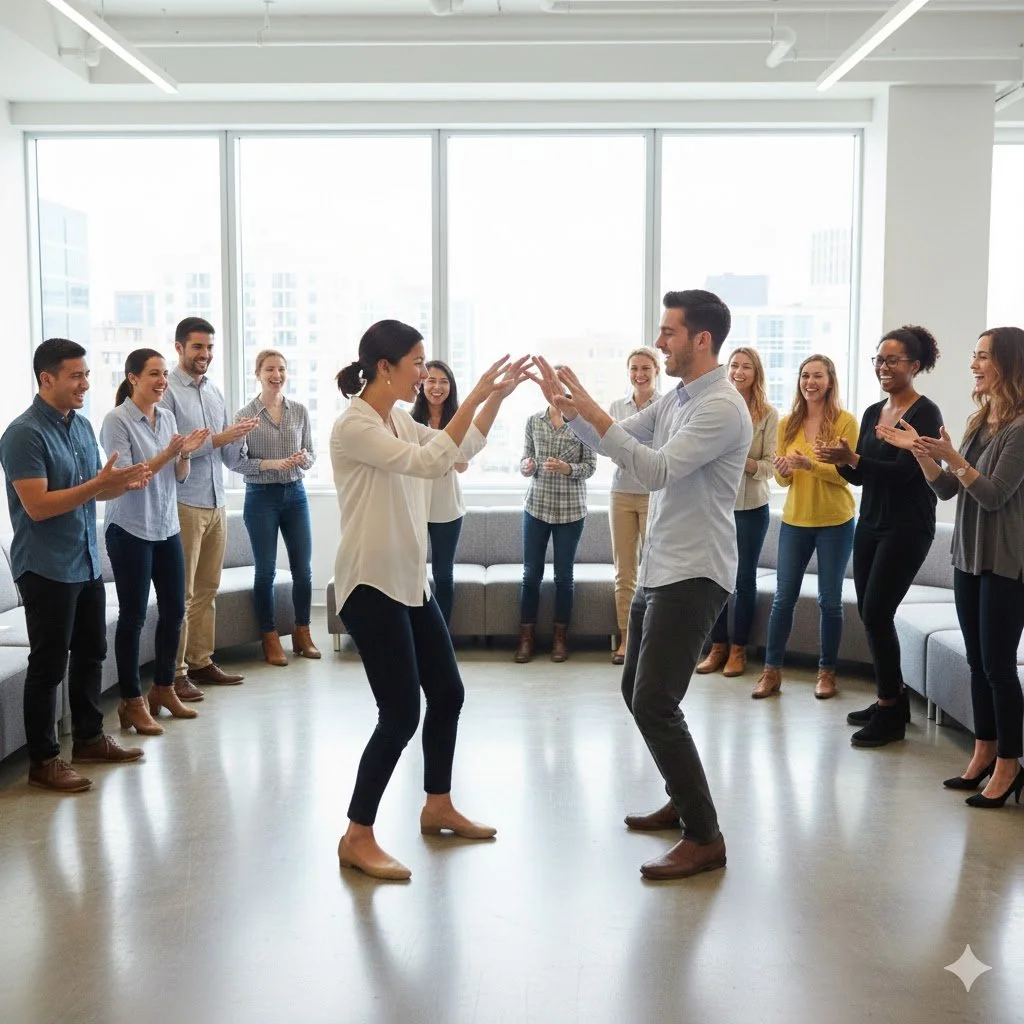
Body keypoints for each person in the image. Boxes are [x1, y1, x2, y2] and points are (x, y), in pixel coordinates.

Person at [530, 289, 751, 881]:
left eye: (669, 332)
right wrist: (567, 410)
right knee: (636, 691)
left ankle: (705, 836)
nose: (659, 341)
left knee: (655, 701)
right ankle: (683, 798)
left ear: (702, 340)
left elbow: (650, 470)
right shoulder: (679, 397)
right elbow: (620, 439)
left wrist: (591, 417)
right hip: (662, 569)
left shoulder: (722, 407)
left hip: (696, 574)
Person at [332, 320, 530, 881]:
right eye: (416, 363)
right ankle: (357, 835)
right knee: (399, 714)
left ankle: (437, 804)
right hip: (370, 585)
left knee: (447, 692)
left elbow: (456, 450)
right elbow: (423, 461)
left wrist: (492, 398)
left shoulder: (396, 417)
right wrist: (478, 395)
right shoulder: (353, 426)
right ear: (385, 367)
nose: (424, 373)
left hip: (409, 582)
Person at [881, 327, 1024, 806]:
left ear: (1008, 363)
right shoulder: (980, 420)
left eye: (983, 356)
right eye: (974, 354)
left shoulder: (1020, 428)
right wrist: (924, 455)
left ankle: (1010, 764)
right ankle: (984, 750)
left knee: (1000, 668)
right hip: (967, 557)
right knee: (979, 664)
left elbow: (993, 494)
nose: (974, 364)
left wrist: (955, 460)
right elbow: (947, 490)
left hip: (1005, 563)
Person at [0, 339, 151, 792]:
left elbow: (93, 490)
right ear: (47, 379)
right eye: (76, 375)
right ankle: (44, 762)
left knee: (91, 652)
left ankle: (87, 738)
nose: (86, 383)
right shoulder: (23, 434)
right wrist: (98, 486)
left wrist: (120, 484)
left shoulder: (81, 427)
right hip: (45, 567)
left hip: (84, 561)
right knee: (48, 666)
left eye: (86, 374)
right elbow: (39, 506)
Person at [817, 326, 943, 747]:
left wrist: (855, 459)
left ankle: (890, 710)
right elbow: (862, 474)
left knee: (876, 612)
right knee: (872, 614)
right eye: (878, 360)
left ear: (916, 366)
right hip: (870, 522)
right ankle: (892, 700)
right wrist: (840, 461)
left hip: (907, 526)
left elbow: (906, 474)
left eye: (892, 361)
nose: (883, 368)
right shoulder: (873, 412)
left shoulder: (926, 413)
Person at [101, 350, 210, 733]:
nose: (162, 381)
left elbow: (176, 475)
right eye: (154, 374)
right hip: (129, 530)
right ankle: (132, 701)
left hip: (165, 526)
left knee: (175, 611)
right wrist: (171, 452)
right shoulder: (116, 421)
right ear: (132, 378)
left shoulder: (166, 417)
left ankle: (163, 688)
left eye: (164, 374)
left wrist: (185, 456)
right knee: (132, 618)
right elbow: (133, 476)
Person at [161, 317, 258, 701]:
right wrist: (220, 438)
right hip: (184, 502)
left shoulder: (215, 392)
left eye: (210, 348)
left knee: (208, 589)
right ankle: (177, 672)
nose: (206, 354)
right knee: (182, 593)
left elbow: (228, 457)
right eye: (198, 347)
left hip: (217, 501)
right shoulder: (166, 390)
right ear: (180, 347)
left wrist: (241, 441)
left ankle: (201, 660)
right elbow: (172, 450)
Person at [752, 355, 858, 701]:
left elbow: (846, 477)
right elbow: (783, 480)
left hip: (835, 522)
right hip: (795, 521)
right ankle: (771, 672)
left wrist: (809, 464)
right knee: (784, 599)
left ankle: (827, 673)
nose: (809, 382)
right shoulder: (787, 423)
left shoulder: (845, 423)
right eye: (804, 375)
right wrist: (785, 467)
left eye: (817, 376)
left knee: (830, 601)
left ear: (830, 381)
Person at [697, 346, 779, 679]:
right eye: (734, 365)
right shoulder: (715, 407)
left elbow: (771, 466)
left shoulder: (769, 414)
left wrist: (742, 463)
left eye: (746, 367)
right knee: (716, 577)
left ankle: (738, 650)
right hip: (716, 506)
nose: (739, 372)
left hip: (751, 508)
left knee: (743, 580)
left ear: (756, 373)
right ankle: (717, 646)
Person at [235, 349, 318, 666]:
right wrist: (273, 464)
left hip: (296, 494)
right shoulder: (246, 415)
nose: (277, 374)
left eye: (281, 369)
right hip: (261, 497)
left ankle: (303, 632)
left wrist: (302, 460)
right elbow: (238, 463)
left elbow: (311, 452)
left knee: (304, 571)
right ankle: (269, 638)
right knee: (265, 571)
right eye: (270, 369)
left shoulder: (298, 410)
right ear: (257, 373)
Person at [514, 370, 597, 664]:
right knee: (530, 575)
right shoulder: (533, 421)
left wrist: (567, 469)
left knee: (564, 577)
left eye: (558, 386)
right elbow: (525, 459)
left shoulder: (582, 424)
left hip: (571, 511)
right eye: (549, 386)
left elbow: (590, 467)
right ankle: (526, 639)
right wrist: (528, 465)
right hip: (536, 507)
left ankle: (560, 640)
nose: (553, 390)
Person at [607, 346, 660, 664]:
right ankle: (626, 639)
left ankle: (651, 641)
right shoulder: (617, 406)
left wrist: (631, 449)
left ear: (656, 371)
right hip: (622, 493)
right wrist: (635, 449)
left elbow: (664, 450)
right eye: (634, 369)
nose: (639, 374)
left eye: (645, 368)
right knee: (624, 570)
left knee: (654, 570)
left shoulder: (666, 405)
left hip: (655, 492)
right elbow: (612, 448)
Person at [410, 360, 467, 628]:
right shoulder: (409, 421)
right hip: (416, 506)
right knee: (413, 573)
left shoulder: (458, 420)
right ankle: (418, 632)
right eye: (431, 380)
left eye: (443, 381)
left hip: (448, 508)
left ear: (451, 386)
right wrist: (443, 455)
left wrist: (438, 457)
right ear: (421, 384)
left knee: (443, 575)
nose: (437, 387)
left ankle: (441, 635)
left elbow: (463, 463)